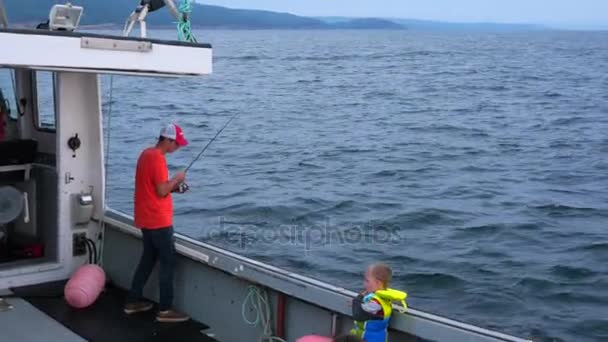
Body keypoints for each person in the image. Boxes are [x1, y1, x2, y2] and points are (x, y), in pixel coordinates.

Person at [124, 122, 190, 323]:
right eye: (176, 143)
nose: (177, 147)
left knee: (148, 259)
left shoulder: (146, 154)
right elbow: (162, 191)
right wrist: (177, 179)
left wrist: (176, 188)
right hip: (158, 221)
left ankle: (133, 301)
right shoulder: (158, 159)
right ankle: (165, 310)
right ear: (167, 140)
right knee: (168, 263)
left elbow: (156, 187)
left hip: (145, 218)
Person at [350, 263, 407, 342]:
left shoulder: (375, 302)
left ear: (378, 283)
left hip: (367, 338)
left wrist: (356, 301)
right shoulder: (383, 299)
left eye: (367, 281)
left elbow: (358, 314)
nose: (364, 283)